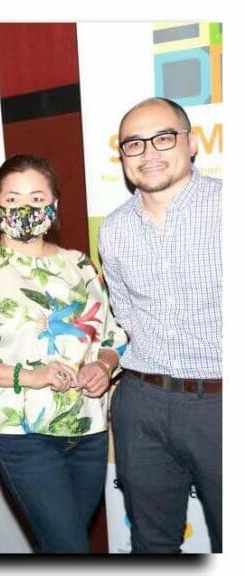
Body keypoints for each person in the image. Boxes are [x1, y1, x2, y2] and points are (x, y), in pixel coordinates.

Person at [0, 154, 128, 553]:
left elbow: (114, 335)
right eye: (13, 199)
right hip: (21, 432)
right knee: (70, 547)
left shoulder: (79, 265)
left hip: (89, 428)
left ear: (54, 205)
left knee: (61, 544)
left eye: (37, 198)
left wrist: (103, 365)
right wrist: (31, 375)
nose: (25, 209)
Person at [99, 97, 222, 553]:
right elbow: (126, 316)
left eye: (163, 138)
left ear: (191, 143)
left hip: (223, 404)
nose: (148, 152)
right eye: (134, 143)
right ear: (122, 155)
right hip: (142, 404)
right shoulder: (113, 229)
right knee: (151, 545)